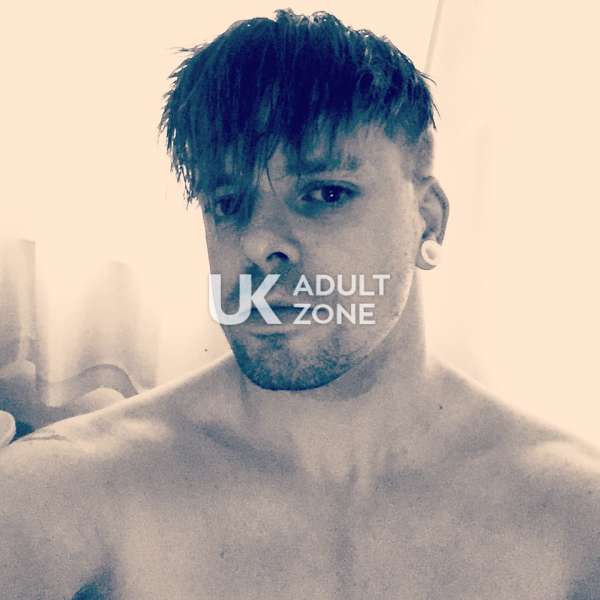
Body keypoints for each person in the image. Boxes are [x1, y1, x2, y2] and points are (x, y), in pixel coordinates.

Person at [1, 9, 600, 599]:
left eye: (326, 193)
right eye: (228, 203)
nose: (258, 241)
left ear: (428, 219)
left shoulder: (575, 519)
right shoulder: (63, 495)